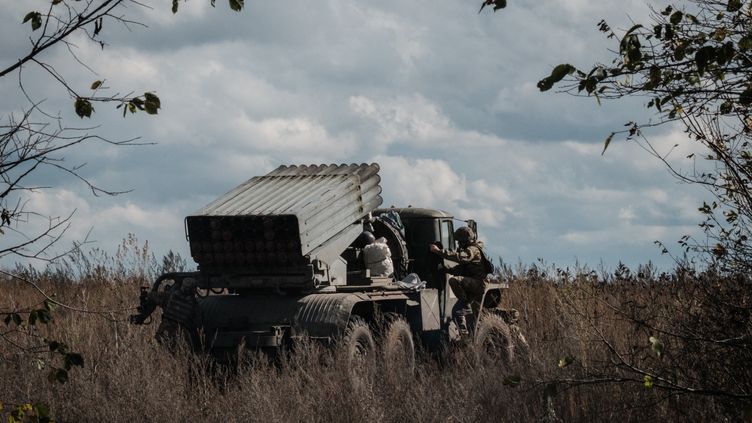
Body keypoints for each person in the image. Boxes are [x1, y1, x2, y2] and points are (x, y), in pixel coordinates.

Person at [429, 226, 491, 335]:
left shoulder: (473, 250)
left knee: (454, 281)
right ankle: (465, 336)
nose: (458, 244)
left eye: (459, 241)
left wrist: (439, 251)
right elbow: (460, 269)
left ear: (464, 240)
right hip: (471, 284)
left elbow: (460, 258)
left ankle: (465, 304)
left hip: (478, 283)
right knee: (456, 311)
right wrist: (445, 269)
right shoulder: (469, 249)